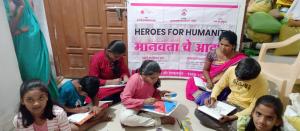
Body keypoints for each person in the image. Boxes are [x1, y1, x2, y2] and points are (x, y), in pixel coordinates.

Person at [4, 0, 59, 100]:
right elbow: (9, 30)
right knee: (32, 72)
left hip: (35, 40)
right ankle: (38, 100)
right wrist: (20, 11)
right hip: (24, 44)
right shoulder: (7, 4)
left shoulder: (27, 1)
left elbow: (32, 17)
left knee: (45, 68)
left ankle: (52, 101)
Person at [194, 57, 268, 131]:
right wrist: (213, 97)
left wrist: (231, 117)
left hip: (244, 110)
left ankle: (228, 126)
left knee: (240, 125)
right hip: (228, 104)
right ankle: (229, 128)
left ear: (253, 78)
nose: (238, 79)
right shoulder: (231, 70)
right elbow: (219, 86)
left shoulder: (262, 83)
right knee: (198, 112)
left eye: (242, 79)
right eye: (237, 76)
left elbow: (254, 108)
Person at [186, 31, 247, 104]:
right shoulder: (212, 53)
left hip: (225, 85)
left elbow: (239, 76)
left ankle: (204, 99)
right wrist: (209, 81)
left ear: (233, 46)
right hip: (209, 81)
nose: (223, 48)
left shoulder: (241, 59)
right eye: (221, 44)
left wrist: (220, 81)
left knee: (225, 92)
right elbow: (205, 70)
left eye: (227, 46)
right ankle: (205, 98)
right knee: (191, 81)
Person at [119, 60, 175, 127]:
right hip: (133, 105)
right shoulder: (135, 79)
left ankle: (140, 118)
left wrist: (159, 93)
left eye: (157, 77)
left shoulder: (152, 81)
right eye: (153, 78)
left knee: (165, 110)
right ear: (143, 74)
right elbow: (125, 100)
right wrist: (144, 101)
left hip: (145, 107)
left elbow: (152, 92)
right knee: (125, 118)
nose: (155, 80)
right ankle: (158, 121)